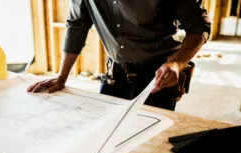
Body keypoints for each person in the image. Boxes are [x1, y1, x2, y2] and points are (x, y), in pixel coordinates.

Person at [27, 0, 211, 111]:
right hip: (115, 73)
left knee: (148, 142)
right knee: (107, 134)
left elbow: (199, 26)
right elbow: (77, 25)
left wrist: (177, 63)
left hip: (158, 75)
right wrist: (62, 76)